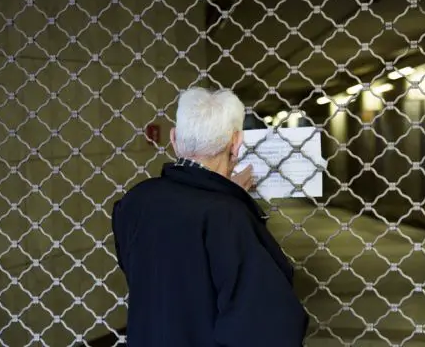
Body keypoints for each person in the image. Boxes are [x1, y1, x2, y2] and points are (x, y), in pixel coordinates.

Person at [112, 87, 308, 346]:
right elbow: (267, 321)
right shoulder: (229, 216)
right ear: (236, 142)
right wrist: (232, 200)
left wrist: (227, 194)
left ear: (174, 138)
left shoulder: (136, 201)